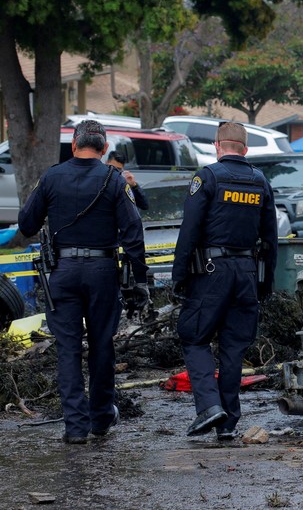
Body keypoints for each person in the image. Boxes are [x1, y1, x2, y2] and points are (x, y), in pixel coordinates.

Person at [18, 120, 149, 444]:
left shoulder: (51, 176)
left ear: (74, 145)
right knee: (102, 346)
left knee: (68, 349)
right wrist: (140, 280)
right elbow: (134, 233)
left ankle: (75, 428)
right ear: (104, 149)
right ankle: (101, 417)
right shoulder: (115, 180)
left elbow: (26, 222)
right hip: (103, 272)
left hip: (62, 273)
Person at [172, 121, 278, 440]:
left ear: (218, 146)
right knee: (233, 347)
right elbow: (271, 240)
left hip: (210, 273)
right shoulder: (261, 181)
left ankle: (208, 406)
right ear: (245, 149)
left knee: (193, 336)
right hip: (246, 273)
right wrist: (265, 284)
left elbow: (188, 232)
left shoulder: (207, 177)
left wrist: (178, 278)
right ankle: (228, 424)